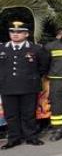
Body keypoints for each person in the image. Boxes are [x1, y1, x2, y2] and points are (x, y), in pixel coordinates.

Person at [0, 21, 49, 149]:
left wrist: (33, 77)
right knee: (11, 115)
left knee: (29, 114)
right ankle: (14, 138)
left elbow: (43, 66)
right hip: (7, 86)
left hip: (29, 86)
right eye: (12, 32)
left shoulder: (36, 49)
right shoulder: (2, 48)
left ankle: (31, 137)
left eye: (19, 32)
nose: (15, 34)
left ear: (26, 34)